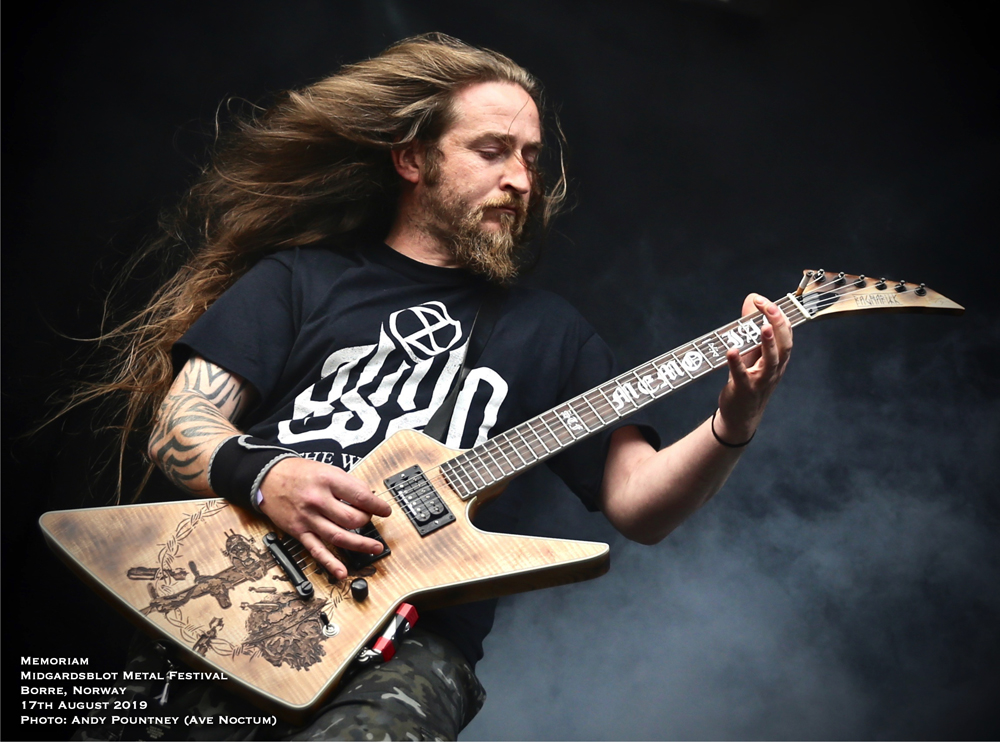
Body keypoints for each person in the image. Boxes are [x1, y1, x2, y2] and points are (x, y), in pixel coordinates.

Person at [73, 33, 791, 741]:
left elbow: (639, 505)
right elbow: (179, 422)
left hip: (410, 644)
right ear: (413, 159)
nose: (520, 180)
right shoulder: (299, 279)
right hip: (228, 597)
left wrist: (735, 420)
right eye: (493, 150)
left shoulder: (553, 334)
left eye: (530, 158)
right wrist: (268, 477)